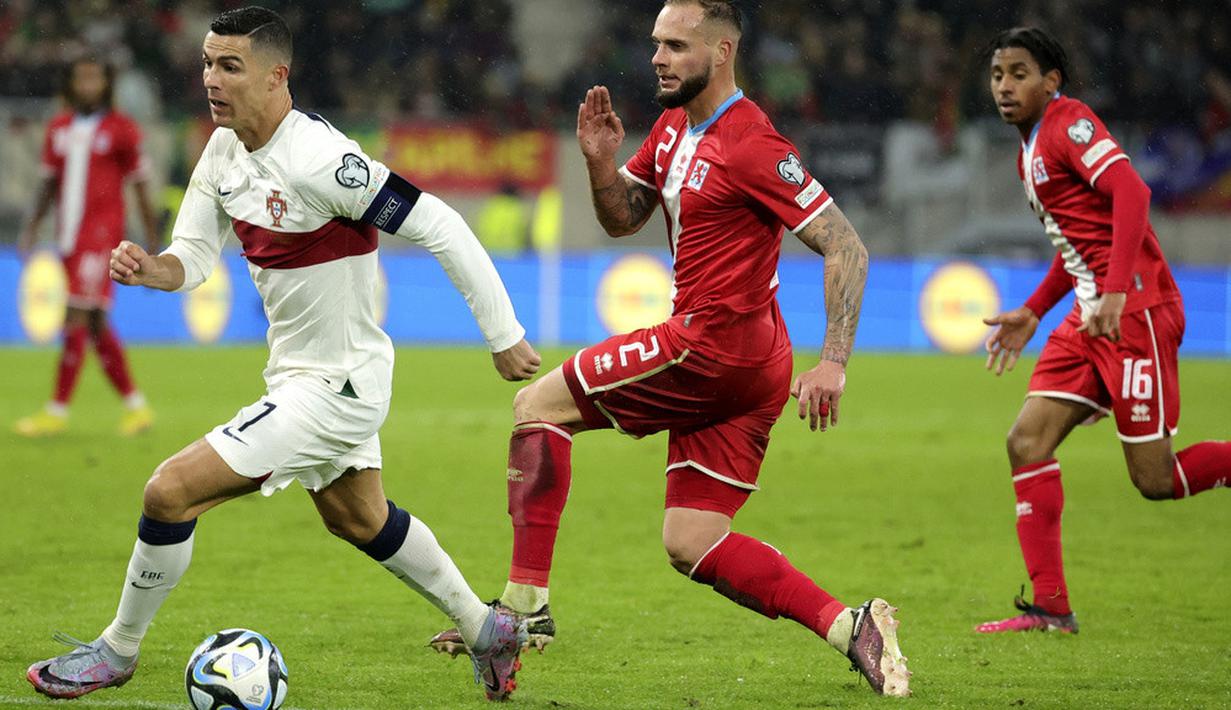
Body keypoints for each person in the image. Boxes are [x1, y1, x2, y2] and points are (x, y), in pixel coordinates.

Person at [26, 6, 541, 702]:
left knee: (168, 492)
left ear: (277, 77)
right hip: (304, 375)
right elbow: (195, 256)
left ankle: (116, 652)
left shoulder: (323, 161)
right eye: (207, 62)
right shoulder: (222, 150)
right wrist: (154, 269)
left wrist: (502, 333)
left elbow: (441, 225)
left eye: (229, 65)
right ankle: (487, 630)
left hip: (336, 386)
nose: (211, 78)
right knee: (357, 517)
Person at [430, 0, 911, 697]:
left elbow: (844, 243)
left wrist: (833, 360)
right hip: (751, 362)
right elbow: (625, 217)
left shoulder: (751, 143)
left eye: (676, 46)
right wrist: (600, 165)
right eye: (655, 43)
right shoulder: (672, 128)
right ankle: (851, 625)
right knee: (690, 540)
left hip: (711, 347)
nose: (656, 57)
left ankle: (523, 609)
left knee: (537, 405)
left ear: (720, 53)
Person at [978, 27, 1230, 634]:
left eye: (1019, 73)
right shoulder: (1028, 150)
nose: (1005, 87)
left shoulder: (1071, 125)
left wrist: (1116, 292)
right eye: (996, 75)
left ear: (1051, 82)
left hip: (1135, 314)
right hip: (1090, 317)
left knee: (1156, 480)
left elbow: (1132, 192)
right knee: (1026, 442)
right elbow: (1077, 245)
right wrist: (1035, 310)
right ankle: (1051, 609)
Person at [15, 56, 159, 438]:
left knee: (75, 318)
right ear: (71, 82)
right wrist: (30, 228)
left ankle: (55, 411)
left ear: (107, 84)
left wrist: (152, 235)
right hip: (68, 238)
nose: (89, 85)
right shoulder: (59, 128)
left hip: (101, 239)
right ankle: (136, 407)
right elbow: (47, 184)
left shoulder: (121, 130)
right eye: (82, 78)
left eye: (96, 78)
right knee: (95, 325)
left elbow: (141, 184)